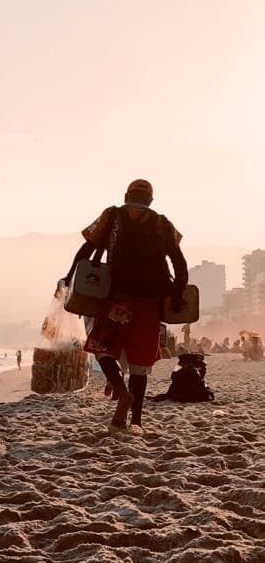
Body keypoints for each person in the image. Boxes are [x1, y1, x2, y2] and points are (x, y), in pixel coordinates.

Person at [62, 178, 188, 432]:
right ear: (151, 200)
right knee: (140, 364)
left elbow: (87, 248)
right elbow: (179, 261)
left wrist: (70, 275)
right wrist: (177, 291)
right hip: (150, 301)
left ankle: (120, 390)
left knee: (102, 347)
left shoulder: (112, 215)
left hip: (116, 297)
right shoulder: (162, 223)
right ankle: (137, 422)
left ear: (126, 194)